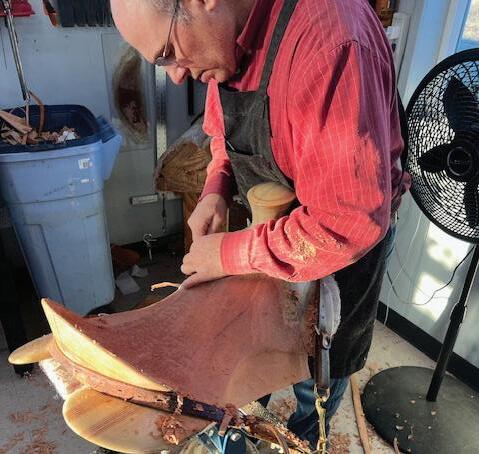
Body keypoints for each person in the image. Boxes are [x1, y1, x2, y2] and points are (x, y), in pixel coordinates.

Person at [111, 0, 409, 448]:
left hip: (341, 250)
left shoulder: (331, 42)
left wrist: (228, 253)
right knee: (252, 354)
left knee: (317, 374)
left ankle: (306, 437)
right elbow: (221, 132)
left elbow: (347, 223)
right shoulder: (224, 40)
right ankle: (249, 428)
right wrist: (216, 187)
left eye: (168, 53)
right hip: (271, 238)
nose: (174, 76)